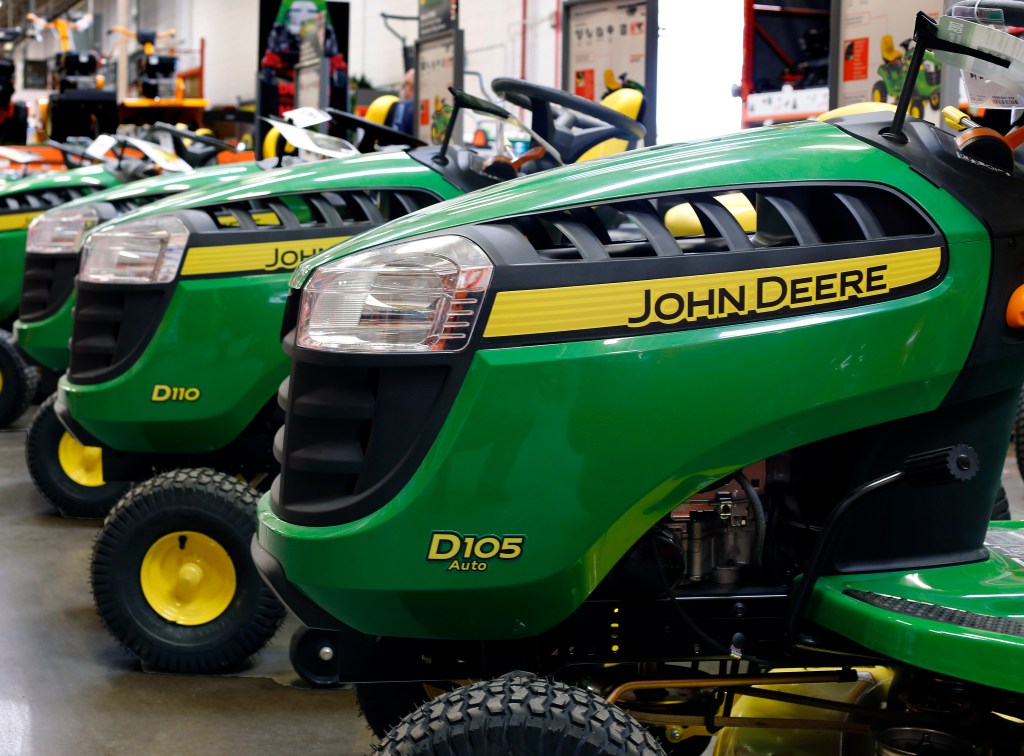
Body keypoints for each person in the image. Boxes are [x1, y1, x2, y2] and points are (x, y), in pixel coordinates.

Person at [392, 68, 415, 135]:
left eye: (404, 86)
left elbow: (396, 138)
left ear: (410, 86)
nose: (403, 90)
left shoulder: (404, 106)